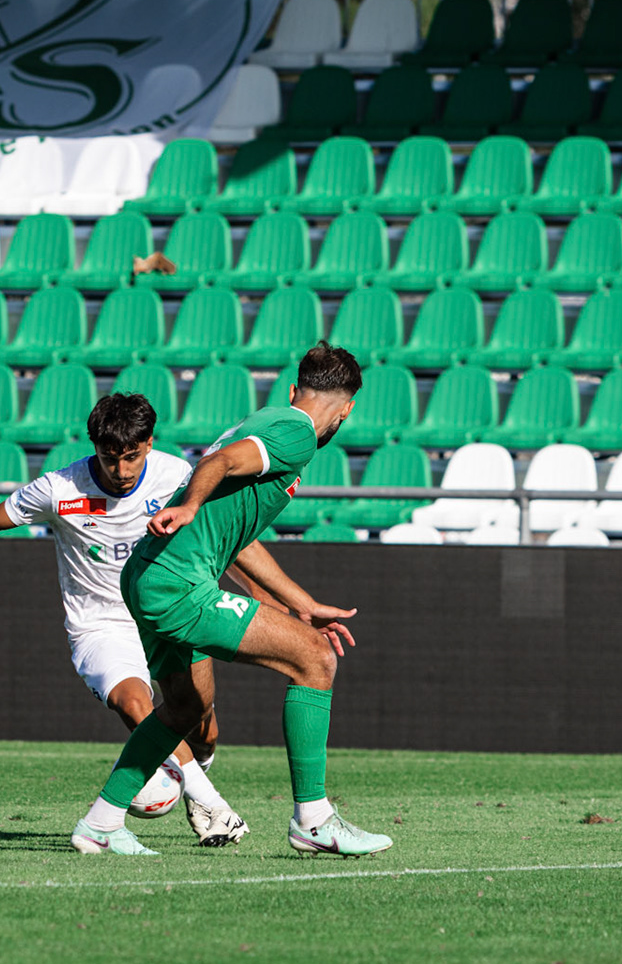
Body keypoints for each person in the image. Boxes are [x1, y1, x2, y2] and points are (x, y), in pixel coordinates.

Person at [71, 342, 392, 858]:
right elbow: (218, 462)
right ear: (347, 409)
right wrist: (189, 506)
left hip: (148, 574)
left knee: (184, 708)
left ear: (294, 389)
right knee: (316, 658)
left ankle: (100, 824)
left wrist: (301, 602)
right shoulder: (297, 432)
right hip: (178, 583)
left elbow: (236, 534)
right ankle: (314, 820)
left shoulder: (265, 420)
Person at [0, 394, 250, 847]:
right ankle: (212, 806)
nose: (120, 470)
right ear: (94, 447)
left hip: (166, 612)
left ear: (149, 443)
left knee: (202, 726)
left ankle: (191, 772)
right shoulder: (61, 488)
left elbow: (219, 540)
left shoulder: (177, 477)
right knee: (134, 704)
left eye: (132, 457)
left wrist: (261, 592)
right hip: (100, 624)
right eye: (109, 457)